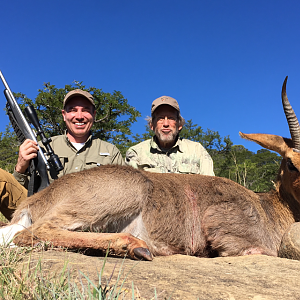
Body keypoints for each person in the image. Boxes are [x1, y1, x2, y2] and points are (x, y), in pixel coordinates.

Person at [0, 89, 124, 220]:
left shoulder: (111, 151)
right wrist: (21, 167)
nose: (79, 116)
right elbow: (23, 190)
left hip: (92, 218)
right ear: (64, 115)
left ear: (94, 114)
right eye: (73, 110)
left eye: (86, 110)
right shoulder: (40, 147)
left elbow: (123, 195)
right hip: (42, 213)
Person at [125, 96, 214, 175]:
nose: (166, 124)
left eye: (171, 118)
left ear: (179, 125)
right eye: (160, 118)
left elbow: (210, 186)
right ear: (152, 125)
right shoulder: (136, 153)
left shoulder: (197, 151)